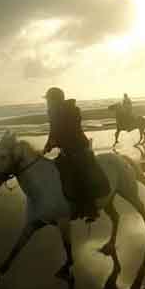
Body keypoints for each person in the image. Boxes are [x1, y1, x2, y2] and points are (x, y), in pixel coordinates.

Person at [43, 87, 101, 221]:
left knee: (81, 174)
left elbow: (70, 130)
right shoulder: (53, 112)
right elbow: (53, 132)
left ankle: (92, 209)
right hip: (66, 149)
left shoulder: (73, 110)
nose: (47, 102)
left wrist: (55, 142)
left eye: (49, 100)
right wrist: (47, 146)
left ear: (56, 100)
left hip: (79, 147)